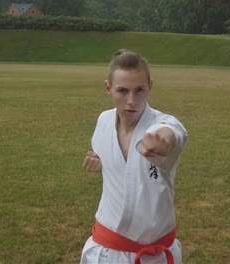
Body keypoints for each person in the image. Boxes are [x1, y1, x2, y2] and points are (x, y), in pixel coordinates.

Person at [80, 49, 188, 264]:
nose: (132, 100)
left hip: (155, 255)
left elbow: (172, 133)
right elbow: (121, 165)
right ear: (108, 89)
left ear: (150, 86)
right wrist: (103, 163)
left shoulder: (162, 124)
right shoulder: (103, 121)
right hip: (105, 251)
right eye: (122, 91)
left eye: (139, 90)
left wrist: (163, 141)